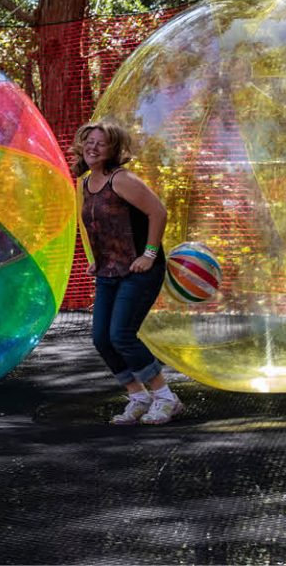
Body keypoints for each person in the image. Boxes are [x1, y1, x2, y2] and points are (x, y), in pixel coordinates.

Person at [73, 120, 184, 426]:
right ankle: (138, 397)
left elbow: (158, 212)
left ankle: (166, 399)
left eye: (101, 143)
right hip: (109, 271)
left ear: (113, 150)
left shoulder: (122, 180)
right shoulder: (86, 183)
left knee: (121, 335)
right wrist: (98, 259)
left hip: (139, 270)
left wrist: (149, 254)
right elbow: (101, 224)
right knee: (102, 339)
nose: (93, 148)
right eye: (89, 142)